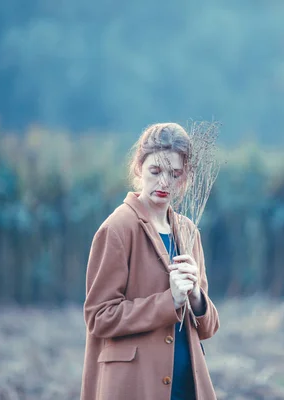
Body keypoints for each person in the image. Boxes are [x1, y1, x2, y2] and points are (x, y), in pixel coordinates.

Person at [80, 122, 220, 400]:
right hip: (135, 387)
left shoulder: (189, 231)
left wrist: (195, 296)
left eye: (175, 173)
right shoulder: (118, 228)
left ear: (186, 177)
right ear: (139, 168)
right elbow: (99, 318)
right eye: (155, 171)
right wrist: (169, 302)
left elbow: (208, 327)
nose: (164, 182)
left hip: (186, 387)